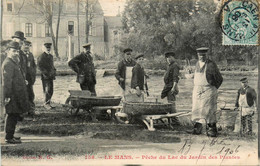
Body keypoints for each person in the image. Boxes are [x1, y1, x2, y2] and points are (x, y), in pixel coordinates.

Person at [2, 41, 30, 144]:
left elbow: (16, 77)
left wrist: (23, 80)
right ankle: (8, 138)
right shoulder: (8, 63)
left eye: (17, 51)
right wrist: (7, 95)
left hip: (16, 94)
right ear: (8, 51)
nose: (16, 53)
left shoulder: (13, 62)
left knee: (14, 115)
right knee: (11, 115)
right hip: (12, 95)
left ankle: (11, 135)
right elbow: (6, 81)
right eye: (14, 51)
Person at [191, 47, 223, 137]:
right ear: (197, 55)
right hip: (197, 89)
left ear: (206, 55)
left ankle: (212, 129)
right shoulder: (197, 64)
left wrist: (213, 88)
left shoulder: (211, 64)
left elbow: (219, 79)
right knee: (197, 108)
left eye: (203, 55)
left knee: (209, 109)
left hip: (208, 89)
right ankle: (197, 128)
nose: (201, 57)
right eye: (200, 55)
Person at [37, 43, 56, 110]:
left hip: (51, 76)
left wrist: (54, 71)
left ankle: (48, 102)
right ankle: (46, 103)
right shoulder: (41, 56)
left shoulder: (51, 56)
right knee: (47, 90)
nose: (48, 49)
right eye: (47, 48)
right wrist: (46, 73)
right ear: (44, 48)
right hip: (45, 76)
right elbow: (39, 67)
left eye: (49, 48)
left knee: (51, 90)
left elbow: (52, 66)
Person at [22, 40, 37, 116]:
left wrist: (33, 76)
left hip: (30, 78)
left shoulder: (31, 55)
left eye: (28, 45)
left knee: (31, 94)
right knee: (23, 94)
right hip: (22, 78)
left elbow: (34, 66)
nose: (27, 47)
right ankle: (23, 111)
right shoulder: (20, 55)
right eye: (25, 45)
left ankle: (31, 110)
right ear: (22, 46)